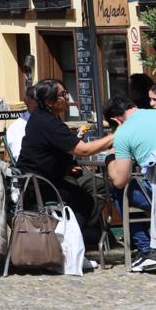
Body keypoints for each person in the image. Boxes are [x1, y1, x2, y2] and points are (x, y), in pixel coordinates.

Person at [15, 78, 115, 247]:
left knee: (94, 183)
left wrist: (67, 167)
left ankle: (83, 235)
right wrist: (115, 136)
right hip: (40, 185)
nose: (67, 97)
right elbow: (84, 150)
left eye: (66, 93)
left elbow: (48, 151)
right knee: (86, 198)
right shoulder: (48, 122)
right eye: (63, 94)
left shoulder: (43, 117)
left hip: (44, 178)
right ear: (49, 101)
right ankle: (70, 244)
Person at [105, 91, 156, 271]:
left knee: (121, 190)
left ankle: (147, 252)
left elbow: (119, 179)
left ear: (115, 120)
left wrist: (110, 158)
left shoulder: (124, 132)